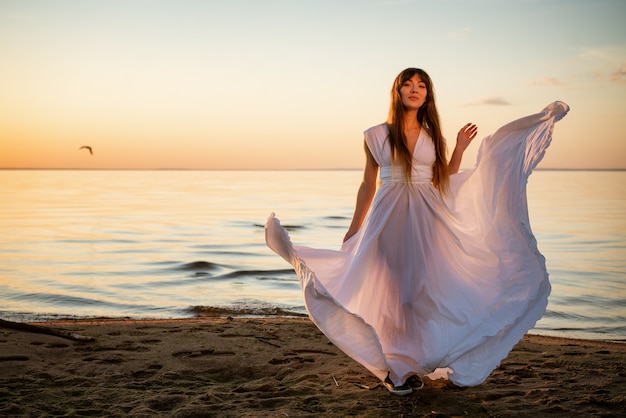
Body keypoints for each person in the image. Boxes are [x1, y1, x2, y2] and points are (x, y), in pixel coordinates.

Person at [265, 68, 569, 395]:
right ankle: (396, 370)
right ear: (397, 92)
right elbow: (369, 185)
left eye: (421, 86)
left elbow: (444, 179)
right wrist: (353, 230)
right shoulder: (376, 134)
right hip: (388, 219)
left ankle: (414, 362)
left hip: (428, 220)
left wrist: (461, 148)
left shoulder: (432, 136)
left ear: (427, 95)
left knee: (422, 294)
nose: (415, 90)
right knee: (394, 291)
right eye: (408, 85)